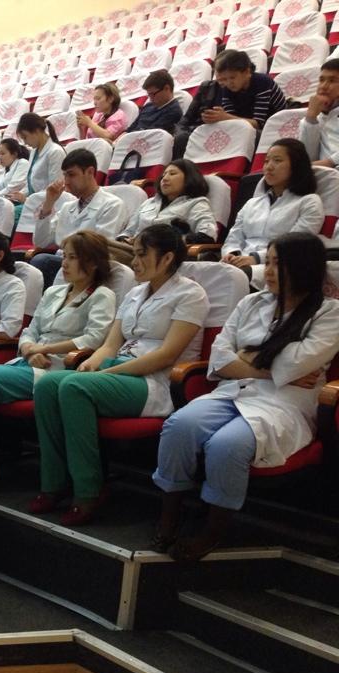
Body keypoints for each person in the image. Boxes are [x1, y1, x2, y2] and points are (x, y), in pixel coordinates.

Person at [152, 233, 339, 561]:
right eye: (269, 262)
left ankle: (213, 529)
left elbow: (298, 363)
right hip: (235, 390)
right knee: (179, 426)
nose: (269, 271)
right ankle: (170, 513)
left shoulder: (329, 312)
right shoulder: (251, 303)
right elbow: (220, 357)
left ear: (304, 267)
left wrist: (247, 355)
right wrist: (266, 365)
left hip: (285, 402)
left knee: (227, 445)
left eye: (278, 264)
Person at [31, 224, 209, 526]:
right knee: (49, 384)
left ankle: (88, 490)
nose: (134, 262)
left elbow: (166, 356)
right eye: (134, 254)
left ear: (167, 258)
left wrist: (107, 371)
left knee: (74, 387)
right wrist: (92, 364)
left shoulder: (190, 294)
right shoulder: (136, 293)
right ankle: (54, 482)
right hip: (119, 370)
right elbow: (111, 344)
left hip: (154, 382)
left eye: (142, 255)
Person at [0, 232, 117, 499]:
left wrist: (44, 349)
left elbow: (93, 339)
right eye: (64, 257)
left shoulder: (102, 295)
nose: (64, 263)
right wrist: (29, 349)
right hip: (30, 361)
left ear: (92, 263)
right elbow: (29, 331)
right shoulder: (54, 292)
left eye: (73, 258)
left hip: (60, 369)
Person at [221, 139, 323, 272]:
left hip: (279, 266)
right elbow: (233, 238)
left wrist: (256, 258)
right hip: (240, 262)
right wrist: (232, 254)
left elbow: (296, 245)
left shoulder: (309, 202)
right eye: (266, 161)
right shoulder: (251, 203)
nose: (269, 167)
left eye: (277, 160)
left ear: (296, 166)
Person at [31, 149, 128, 287]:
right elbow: (41, 241)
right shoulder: (67, 207)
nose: (66, 181)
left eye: (71, 175)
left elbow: (100, 249)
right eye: (65, 175)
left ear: (90, 172)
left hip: (86, 266)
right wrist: (48, 203)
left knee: (42, 261)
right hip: (64, 261)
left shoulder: (112, 205)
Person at [174, 50, 288, 158]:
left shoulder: (262, 83)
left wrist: (224, 117)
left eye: (232, 77)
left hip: (276, 127)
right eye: (224, 79)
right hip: (247, 127)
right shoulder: (227, 88)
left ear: (247, 72)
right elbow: (233, 123)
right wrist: (215, 118)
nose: (228, 83)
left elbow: (258, 124)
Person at [117, 160, 217, 258]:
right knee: (108, 245)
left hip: (161, 256)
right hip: (131, 251)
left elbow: (207, 236)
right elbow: (128, 232)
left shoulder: (197, 203)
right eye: (163, 175)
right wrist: (124, 240)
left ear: (189, 178)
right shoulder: (148, 203)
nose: (164, 178)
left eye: (172, 174)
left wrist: (166, 242)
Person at [16, 113, 66, 208]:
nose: (25, 143)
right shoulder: (33, 152)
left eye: (25, 137)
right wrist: (20, 194)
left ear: (37, 131)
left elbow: (55, 190)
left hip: (48, 205)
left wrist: (27, 200)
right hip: (34, 202)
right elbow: (32, 183)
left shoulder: (55, 152)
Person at [298, 59, 339, 168]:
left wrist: (330, 162)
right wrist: (311, 119)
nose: (323, 86)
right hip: (324, 175)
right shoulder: (311, 120)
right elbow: (308, 158)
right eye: (321, 80)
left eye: (332, 80)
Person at [0, 138, 31, 221]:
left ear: (14, 154)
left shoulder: (22, 163)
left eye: (3, 154)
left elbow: (12, 188)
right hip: (1, 204)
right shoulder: (0, 169)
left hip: (18, 203)